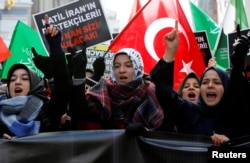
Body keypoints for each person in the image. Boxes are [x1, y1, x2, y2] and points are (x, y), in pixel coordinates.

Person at [150, 20, 231, 146]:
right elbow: (165, 93)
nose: (210, 85)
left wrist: (228, 146)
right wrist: (170, 51)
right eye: (205, 82)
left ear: (226, 88)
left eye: (216, 82)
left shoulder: (236, 118)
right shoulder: (189, 112)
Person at [75, 48, 164, 132]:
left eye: (128, 65)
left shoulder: (150, 91)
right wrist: (78, 77)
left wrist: (145, 132)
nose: (121, 70)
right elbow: (81, 113)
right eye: (117, 66)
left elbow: (164, 131)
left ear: (138, 67)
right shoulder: (102, 91)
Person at [0, 63, 51, 140]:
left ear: (34, 85)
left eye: (24, 79)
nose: (17, 82)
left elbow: (63, 88)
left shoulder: (46, 110)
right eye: (12, 80)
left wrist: (56, 53)